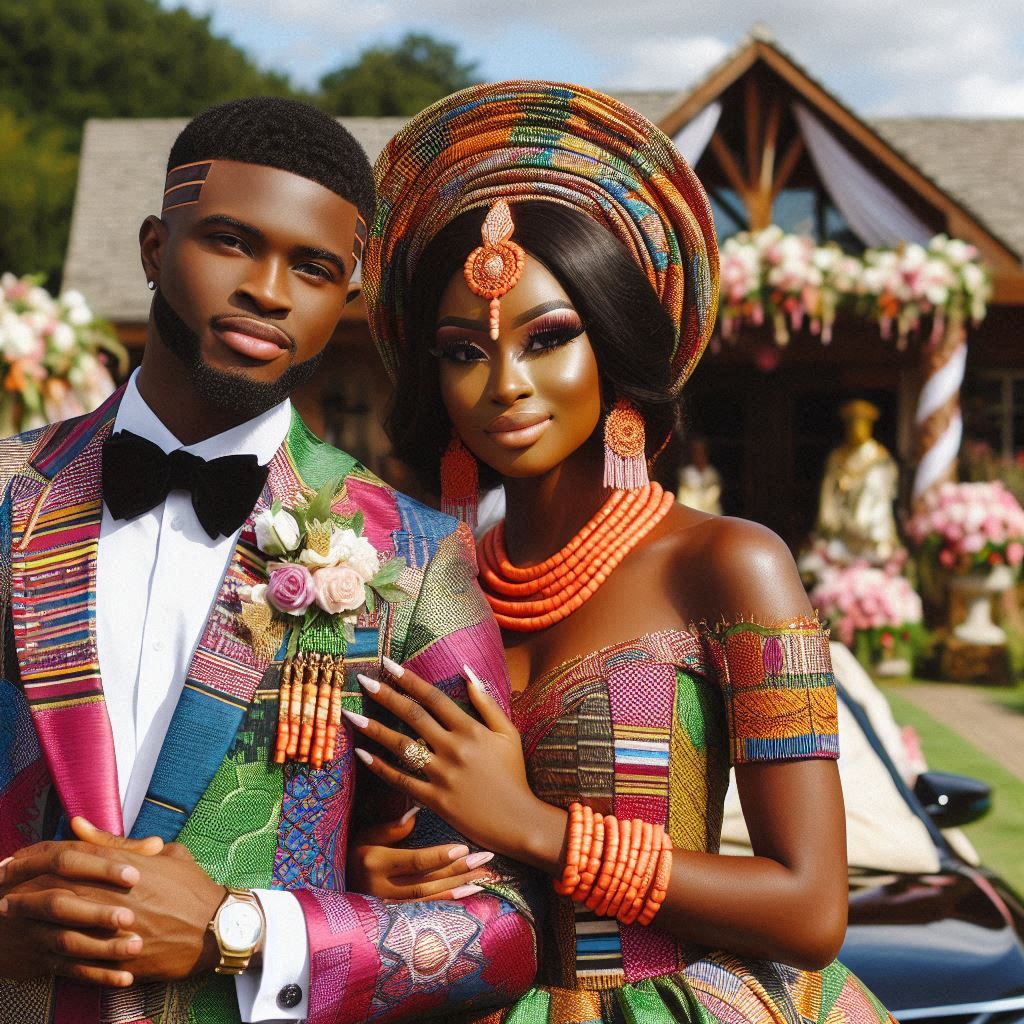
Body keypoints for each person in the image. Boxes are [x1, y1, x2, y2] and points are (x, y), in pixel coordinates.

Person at [349, 82, 897, 1023]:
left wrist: (531, 826)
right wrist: (374, 874)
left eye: (549, 337)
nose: (505, 385)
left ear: (614, 345)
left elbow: (811, 909)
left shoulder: (729, 567)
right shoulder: (415, 587)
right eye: (462, 352)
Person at [0, 96, 537, 1024]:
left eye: (316, 269)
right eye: (231, 242)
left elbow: (506, 930)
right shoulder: (8, 496)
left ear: (346, 302)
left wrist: (240, 932)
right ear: (153, 248)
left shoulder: (413, 558)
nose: (270, 290)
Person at [814, 399, 902, 567]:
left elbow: (882, 490)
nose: (856, 429)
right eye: (852, 424)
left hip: (869, 519)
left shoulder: (878, 456)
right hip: (842, 519)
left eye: (861, 423)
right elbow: (828, 488)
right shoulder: (837, 456)